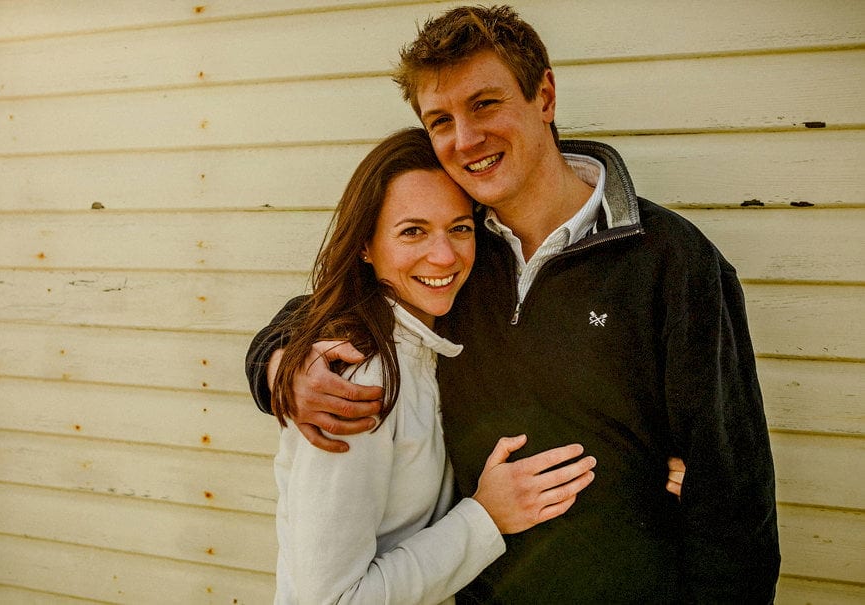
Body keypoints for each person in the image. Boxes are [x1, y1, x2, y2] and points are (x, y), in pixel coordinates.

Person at [248, 5, 780, 602]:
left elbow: (734, 501)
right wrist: (276, 361)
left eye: (485, 103)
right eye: (440, 119)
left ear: (544, 95)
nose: (465, 139)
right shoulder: (455, 258)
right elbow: (344, 301)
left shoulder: (672, 262)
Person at [268, 127, 597, 604]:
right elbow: (334, 600)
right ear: (365, 245)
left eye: (459, 228)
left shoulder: (439, 338)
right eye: (412, 231)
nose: (444, 256)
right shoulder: (357, 375)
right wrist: (485, 518)